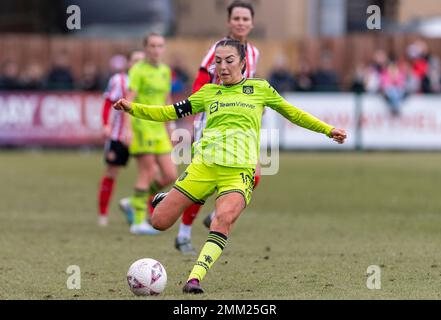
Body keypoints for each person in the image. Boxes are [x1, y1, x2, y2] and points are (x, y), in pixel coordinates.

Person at [113, 39, 347, 294]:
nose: (222, 67)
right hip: (204, 167)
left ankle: (194, 278)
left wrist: (328, 130)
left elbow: (294, 113)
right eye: (218, 61)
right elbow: (169, 112)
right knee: (159, 221)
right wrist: (131, 107)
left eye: (229, 60)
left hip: (238, 173)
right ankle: (166, 198)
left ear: (243, 63)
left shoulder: (260, 89)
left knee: (223, 219)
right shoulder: (208, 93)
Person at [175, 0, 260, 255]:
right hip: (211, 124)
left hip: (241, 127)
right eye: (236, 18)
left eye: (245, 19)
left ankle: (215, 213)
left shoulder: (254, 53)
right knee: (204, 183)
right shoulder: (218, 49)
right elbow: (200, 83)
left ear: (251, 23)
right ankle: (183, 234)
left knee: (254, 176)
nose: (241, 23)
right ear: (228, 22)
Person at [119, 33, 178, 235]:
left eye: (160, 45)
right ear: (145, 48)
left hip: (160, 127)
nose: (156, 49)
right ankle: (137, 222)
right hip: (141, 126)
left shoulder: (165, 71)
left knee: (170, 174)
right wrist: (127, 129)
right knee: (148, 172)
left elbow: (167, 100)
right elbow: (129, 99)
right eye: (152, 46)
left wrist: (171, 127)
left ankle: (135, 201)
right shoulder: (137, 70)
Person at [97, 51, 144, 226]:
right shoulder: (119, 80)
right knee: (111, 172)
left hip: (143, 135)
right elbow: (108, 102)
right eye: (135, 61)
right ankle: (103, 213)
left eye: (142, 61)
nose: (139, 64)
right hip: (119, 136)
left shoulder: (149, 80)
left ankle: (138, 209)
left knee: (151, 173)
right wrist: (105, 124)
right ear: (129, 64)